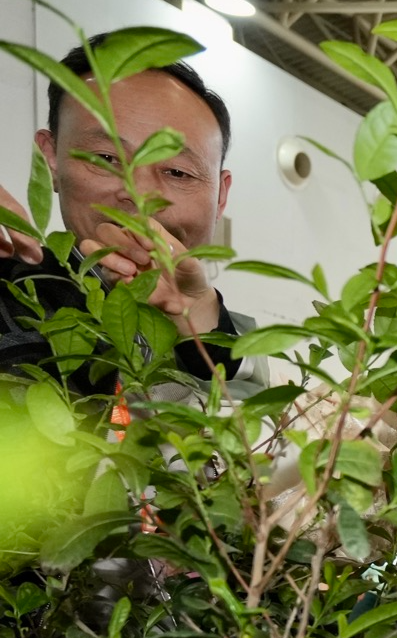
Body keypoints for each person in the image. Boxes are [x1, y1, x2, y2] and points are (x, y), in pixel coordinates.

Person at [0, 40, 253, 394]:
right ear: (51, 160)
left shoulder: (242, 350)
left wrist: (195, 314)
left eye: (178, 173)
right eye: (107, 158)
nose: (140, 195)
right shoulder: (12, 292)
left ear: (221, 195)